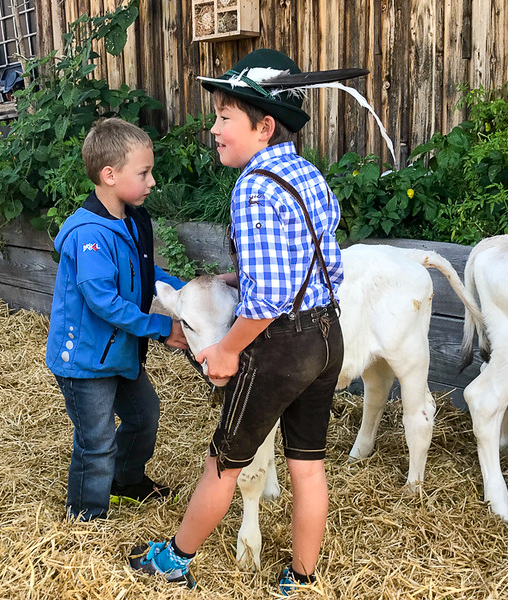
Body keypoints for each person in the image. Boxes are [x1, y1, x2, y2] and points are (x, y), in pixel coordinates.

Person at [129, 49, 346, 595]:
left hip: (279, 347)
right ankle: (299, 577)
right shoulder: (308, 174)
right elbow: (320, 262)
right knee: (308, 464)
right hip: (326, 334)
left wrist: (227, 349)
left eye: (226, 117)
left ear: (264, 125)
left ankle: (174, 559)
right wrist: (239, 277)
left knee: (223, 460)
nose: (215, 128)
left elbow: (269, 300)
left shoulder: (252, 185)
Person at [46, 117, 188, 522]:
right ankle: (86, 516)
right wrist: (163, 328)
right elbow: (104, 303)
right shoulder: (88, 235)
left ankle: (126, 482)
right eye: (143, 173)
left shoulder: (132, 220)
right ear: (110, 175)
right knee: (96, 440)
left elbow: (147, 275)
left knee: (144, 416)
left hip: (119, 351)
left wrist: (187, 292)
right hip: (85, 360)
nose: (152, 181)